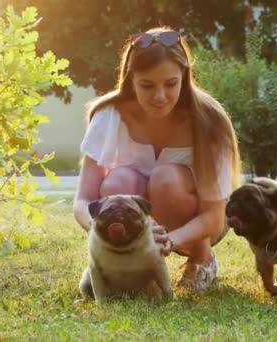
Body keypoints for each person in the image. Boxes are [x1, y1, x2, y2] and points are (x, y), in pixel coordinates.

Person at [73, 27, 242, 294]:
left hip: (194, 223)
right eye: (147, 85)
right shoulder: (108, 114)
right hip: (137, 226)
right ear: (131, 79)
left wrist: (167, 241)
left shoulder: (209, 121)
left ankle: (202, 260)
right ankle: (130, 265)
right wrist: (101, 230)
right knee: (119, 181)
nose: (160, 96)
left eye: (171, 84)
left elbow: (214, 215)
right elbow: (83, 200)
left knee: (165, 179)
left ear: (185, 77)